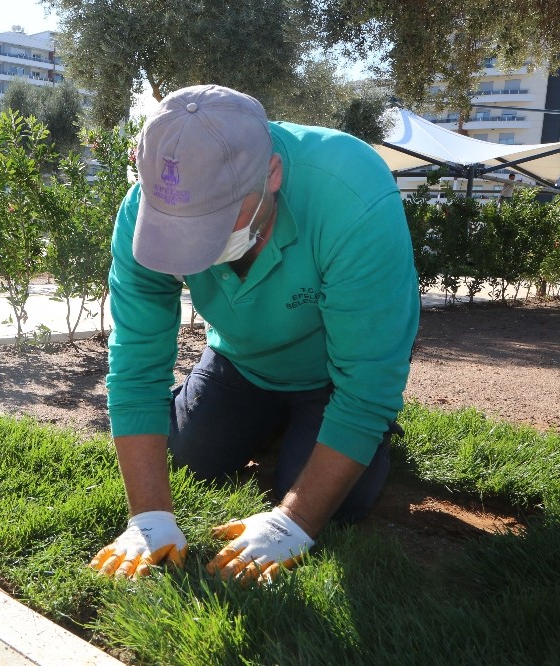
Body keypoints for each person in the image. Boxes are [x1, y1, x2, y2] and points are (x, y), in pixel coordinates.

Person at [90, 85, 419, 585]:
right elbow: (135, 364)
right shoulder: (141, 211)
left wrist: (296, 521)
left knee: (340, 503)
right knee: (189, 459)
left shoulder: (351, 192)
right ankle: (274, 427)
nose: (193, 247)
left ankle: (340, 437)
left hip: (329, 375)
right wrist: (148, 517)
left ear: (272, 175)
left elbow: (368, 382)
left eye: (215, 220)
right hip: (238, 363)